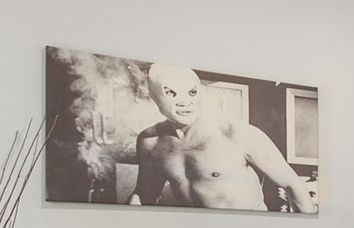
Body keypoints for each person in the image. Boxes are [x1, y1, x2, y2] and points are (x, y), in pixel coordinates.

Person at [131, 63, 318, 213]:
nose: (184, 101)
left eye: (192, 92)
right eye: (170, 92)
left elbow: (294, 186)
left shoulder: (236, 133)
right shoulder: (150, 142)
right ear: (154, 97)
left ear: (200, 92)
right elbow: (146, 195)